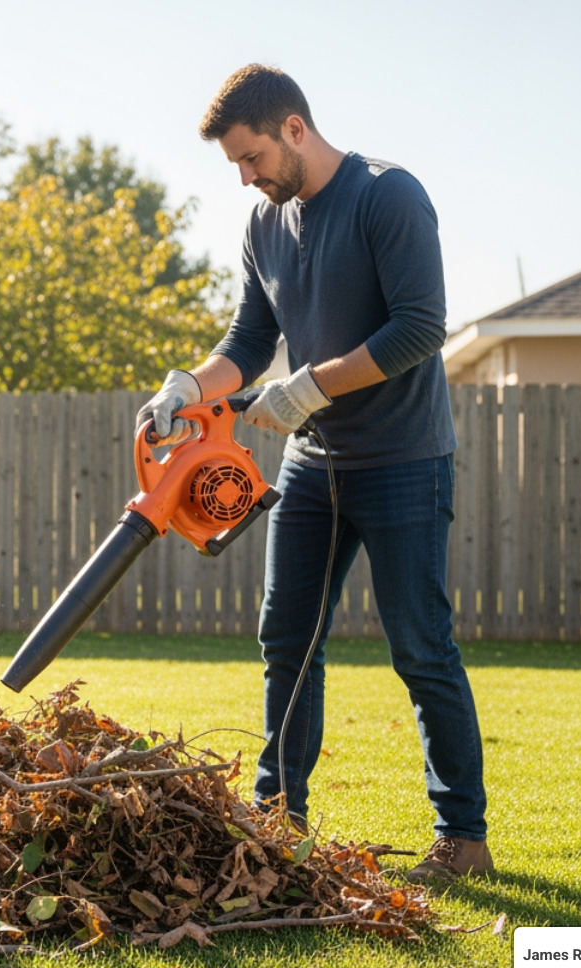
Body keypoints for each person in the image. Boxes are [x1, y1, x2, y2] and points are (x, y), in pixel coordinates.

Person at [136, 64, 490, 883]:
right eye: (235, 164)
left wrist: (311, 386)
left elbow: (420, 329)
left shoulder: (386, 195)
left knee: (421, 647)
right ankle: (275, 816)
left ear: (294, 128)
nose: (246, 177)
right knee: (287, 639)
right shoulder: (266, 224)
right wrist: (190, 386)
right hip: (310, 465)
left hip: (403, 460)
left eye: (252, 157)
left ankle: (462, 837)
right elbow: (250, 340)